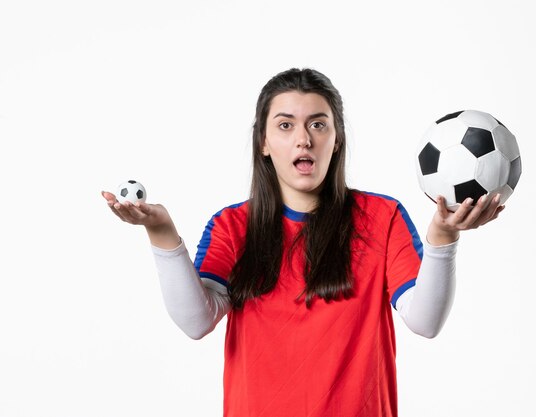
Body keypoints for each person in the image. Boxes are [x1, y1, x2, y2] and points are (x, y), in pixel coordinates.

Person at [102, 68, 504, 417]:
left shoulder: (382, 217)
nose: (303, 140)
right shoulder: (232, 226)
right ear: (263, 142)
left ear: (337, 138)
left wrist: (443, 238)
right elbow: (196, 321)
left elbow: (426, 321)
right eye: (285, 125)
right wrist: (161, 233)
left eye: (317, 124)